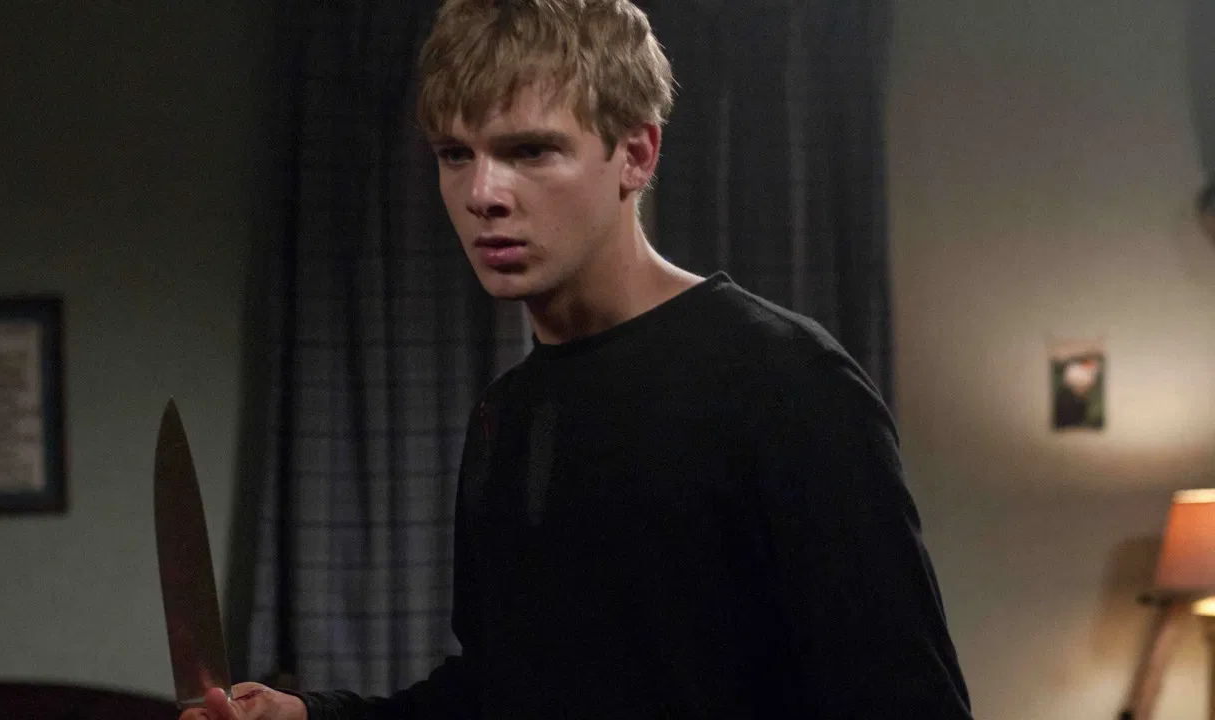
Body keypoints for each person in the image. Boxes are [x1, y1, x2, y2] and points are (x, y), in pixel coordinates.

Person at [186, 0, 973, 717]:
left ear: (636, 154)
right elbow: (499, 693)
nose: (483, 193)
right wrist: (309, 717)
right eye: (455, 154)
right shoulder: (506, 418)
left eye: (530, 151)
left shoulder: (785, 382)